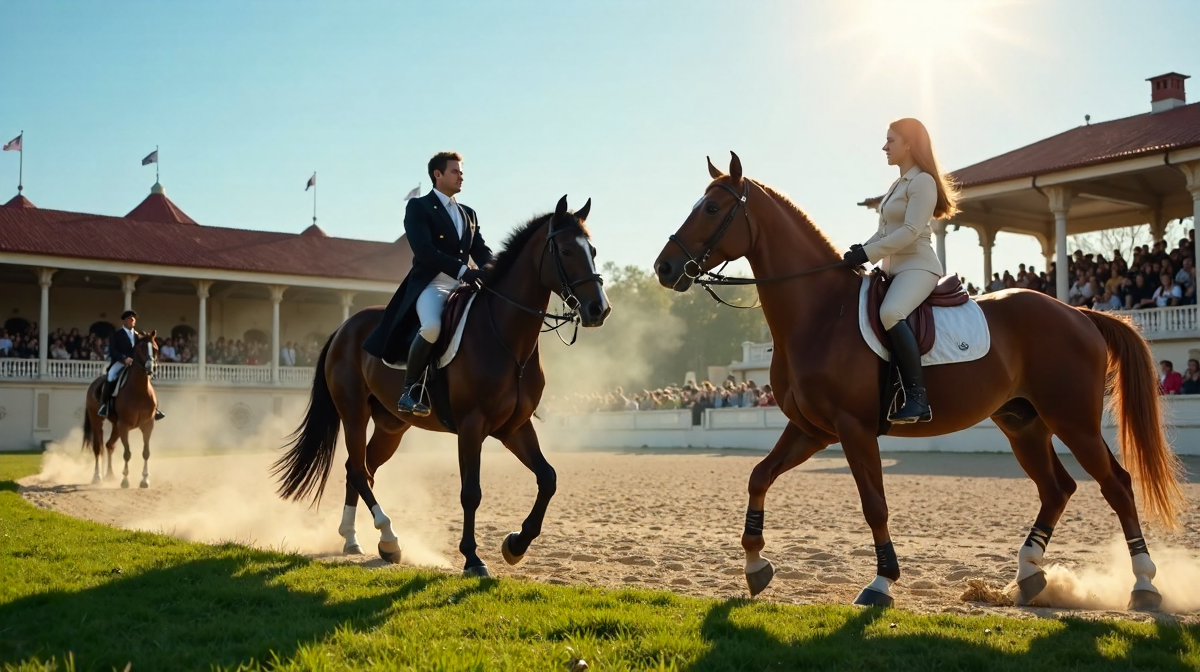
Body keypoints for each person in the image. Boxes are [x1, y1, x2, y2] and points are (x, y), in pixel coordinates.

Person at [842, 118, 957, 423]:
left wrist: (868, 254)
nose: (884, 147)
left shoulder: (923, 181)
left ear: (908, 144)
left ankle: (918, 399)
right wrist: (859, 253)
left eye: (890, 140)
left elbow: (909, 230)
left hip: (917, 266)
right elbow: (884, 232)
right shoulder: (898, 184)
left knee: (890, 313)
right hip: (891, 268)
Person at [362, 151, 494, 417]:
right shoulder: (418, 207)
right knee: (433, 326)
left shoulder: (468, 213)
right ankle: (410, 391)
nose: (461, 176)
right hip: (433, 284)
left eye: (461, 171)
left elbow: (480, 249)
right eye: (455, 171)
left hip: (464, 286)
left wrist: (493, 269)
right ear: (438, 174)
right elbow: (425, 251)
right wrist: (462, 270)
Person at [98, 310, 165, 420]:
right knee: (111, 375)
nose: (133, 321)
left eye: (134, 319)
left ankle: (154, 408)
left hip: (136, 364)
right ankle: (105, 405)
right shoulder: (116, 335)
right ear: (125, 321)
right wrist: (124, 358)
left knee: (147, 378)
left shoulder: (138, 336)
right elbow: (112, 351)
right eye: (131, 319)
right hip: (120, 362)